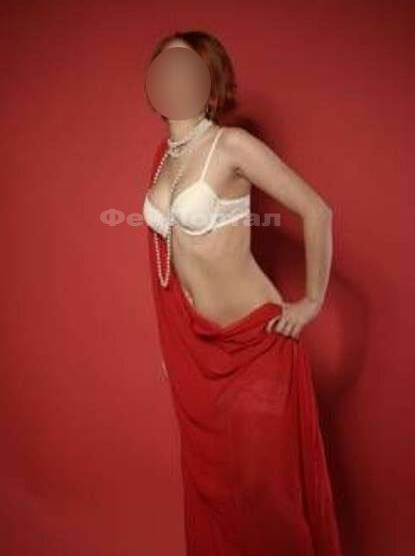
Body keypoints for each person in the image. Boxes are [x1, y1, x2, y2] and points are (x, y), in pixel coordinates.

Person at [143, 30, 342, 555]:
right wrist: (173, 342)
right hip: (196, 346)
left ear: (211, 83)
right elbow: (167, 259)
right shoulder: (164, 158)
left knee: (263, 492)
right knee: (218, 490)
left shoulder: (230, 146)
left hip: (255, 344)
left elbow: (317, 211)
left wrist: (312, 301)